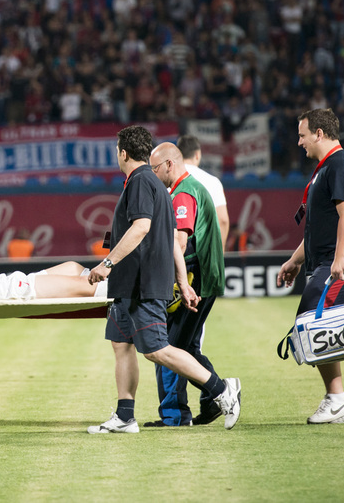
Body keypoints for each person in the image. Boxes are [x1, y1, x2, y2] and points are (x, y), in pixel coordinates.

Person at [84, 125, 241, 434]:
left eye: (117, 151)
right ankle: (125, 416)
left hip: (142, 285)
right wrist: (183, 281)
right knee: (121, 344)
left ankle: (222, 390)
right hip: (129, 286)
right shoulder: (156, 185)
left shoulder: (141, 181)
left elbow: (142, 227)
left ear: (123, 153)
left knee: (158, 350)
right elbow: (171, 240)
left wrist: (108, 262)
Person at [276, 109, 344, 424]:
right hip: (341, 260)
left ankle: (337, 399)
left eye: (302, 135)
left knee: (312, 318)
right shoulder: (328, 167)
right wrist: (295, 260)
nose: (299, 142)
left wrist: (340, 257)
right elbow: (320, 227)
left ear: (319, 133)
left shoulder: (340, 164)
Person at [145, 142, 227, 428]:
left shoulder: (183, 194)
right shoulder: (191, 188)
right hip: (205, 278)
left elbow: (179, 242)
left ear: (169, 164)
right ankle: (213, 399)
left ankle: (183, 411)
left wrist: (177, 280)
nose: (153, 174)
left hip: (195, 280)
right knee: (187, 346)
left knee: (169, 349)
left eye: (155, 168)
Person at [176, 135, 231, 249]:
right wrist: (219, 252)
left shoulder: (168, 180)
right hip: (203, 250)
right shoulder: (212, 182)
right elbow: (222, 220)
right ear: (197, 155)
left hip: (174, 248)